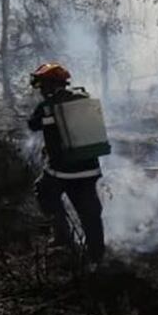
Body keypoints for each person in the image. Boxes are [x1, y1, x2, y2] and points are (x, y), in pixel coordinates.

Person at [27, 62, 105, 264]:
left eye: (42, 85)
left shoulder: (47, 107)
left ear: (50, 85)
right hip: (89, 170)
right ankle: (96, 256)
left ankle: (63, 237)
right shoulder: (83, 99)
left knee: (44, 191)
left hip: (61, 172)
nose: (41, 90)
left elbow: (32, 125)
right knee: (90, 214)